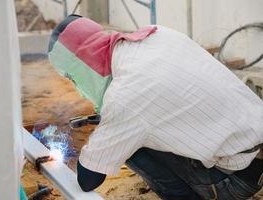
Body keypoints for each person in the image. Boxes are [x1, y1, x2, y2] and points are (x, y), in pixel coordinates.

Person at [48, 15, 263, 200]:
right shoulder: (158, 34)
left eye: (71, 77)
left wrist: (109, 124)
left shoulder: (124, 97)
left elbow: (88, 180)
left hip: (235, 181)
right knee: (137, 129)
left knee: (131, 147)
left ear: (83, 64)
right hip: (255, 147)